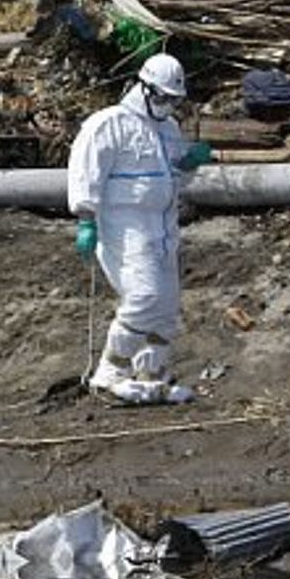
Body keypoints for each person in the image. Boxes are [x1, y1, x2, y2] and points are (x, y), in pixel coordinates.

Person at [68, 53, 212, 405]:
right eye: (162, 97)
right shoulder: (109, 124)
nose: (167, 105)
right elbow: (86, 170)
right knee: (143, 298)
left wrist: (189, 163)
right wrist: (86, 218)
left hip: (162, 226)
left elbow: (172, 177)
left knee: (165, 306)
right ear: (144, 88)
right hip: (124, 226)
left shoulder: (168, 128)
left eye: (174, 99)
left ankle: (152, 375)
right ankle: (109, 373)